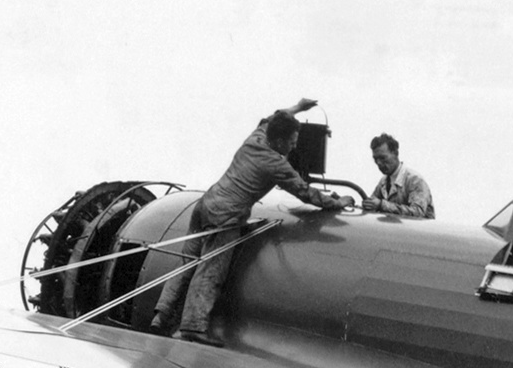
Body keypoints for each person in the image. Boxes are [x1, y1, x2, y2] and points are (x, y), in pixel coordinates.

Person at [150, 99, 347, 344]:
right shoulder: (276, 164)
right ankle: (193, 326)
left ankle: (162, 313)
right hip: (226, 216)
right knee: (211, 270)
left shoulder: (257, 137)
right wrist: (339, 202)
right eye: (292, 142)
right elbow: (307, 193)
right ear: (279, 141)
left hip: (204, 205)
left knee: (187, 263)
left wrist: (298, 107)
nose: (294, 147)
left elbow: (275, 116)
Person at [361, 134, 434, 219]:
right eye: (375, 159)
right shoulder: (383, 182)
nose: (379, 163)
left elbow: (418, 213)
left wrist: (382, 205)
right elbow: (372, 204)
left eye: (382, 158)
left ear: (395, 153)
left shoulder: (414, 180)